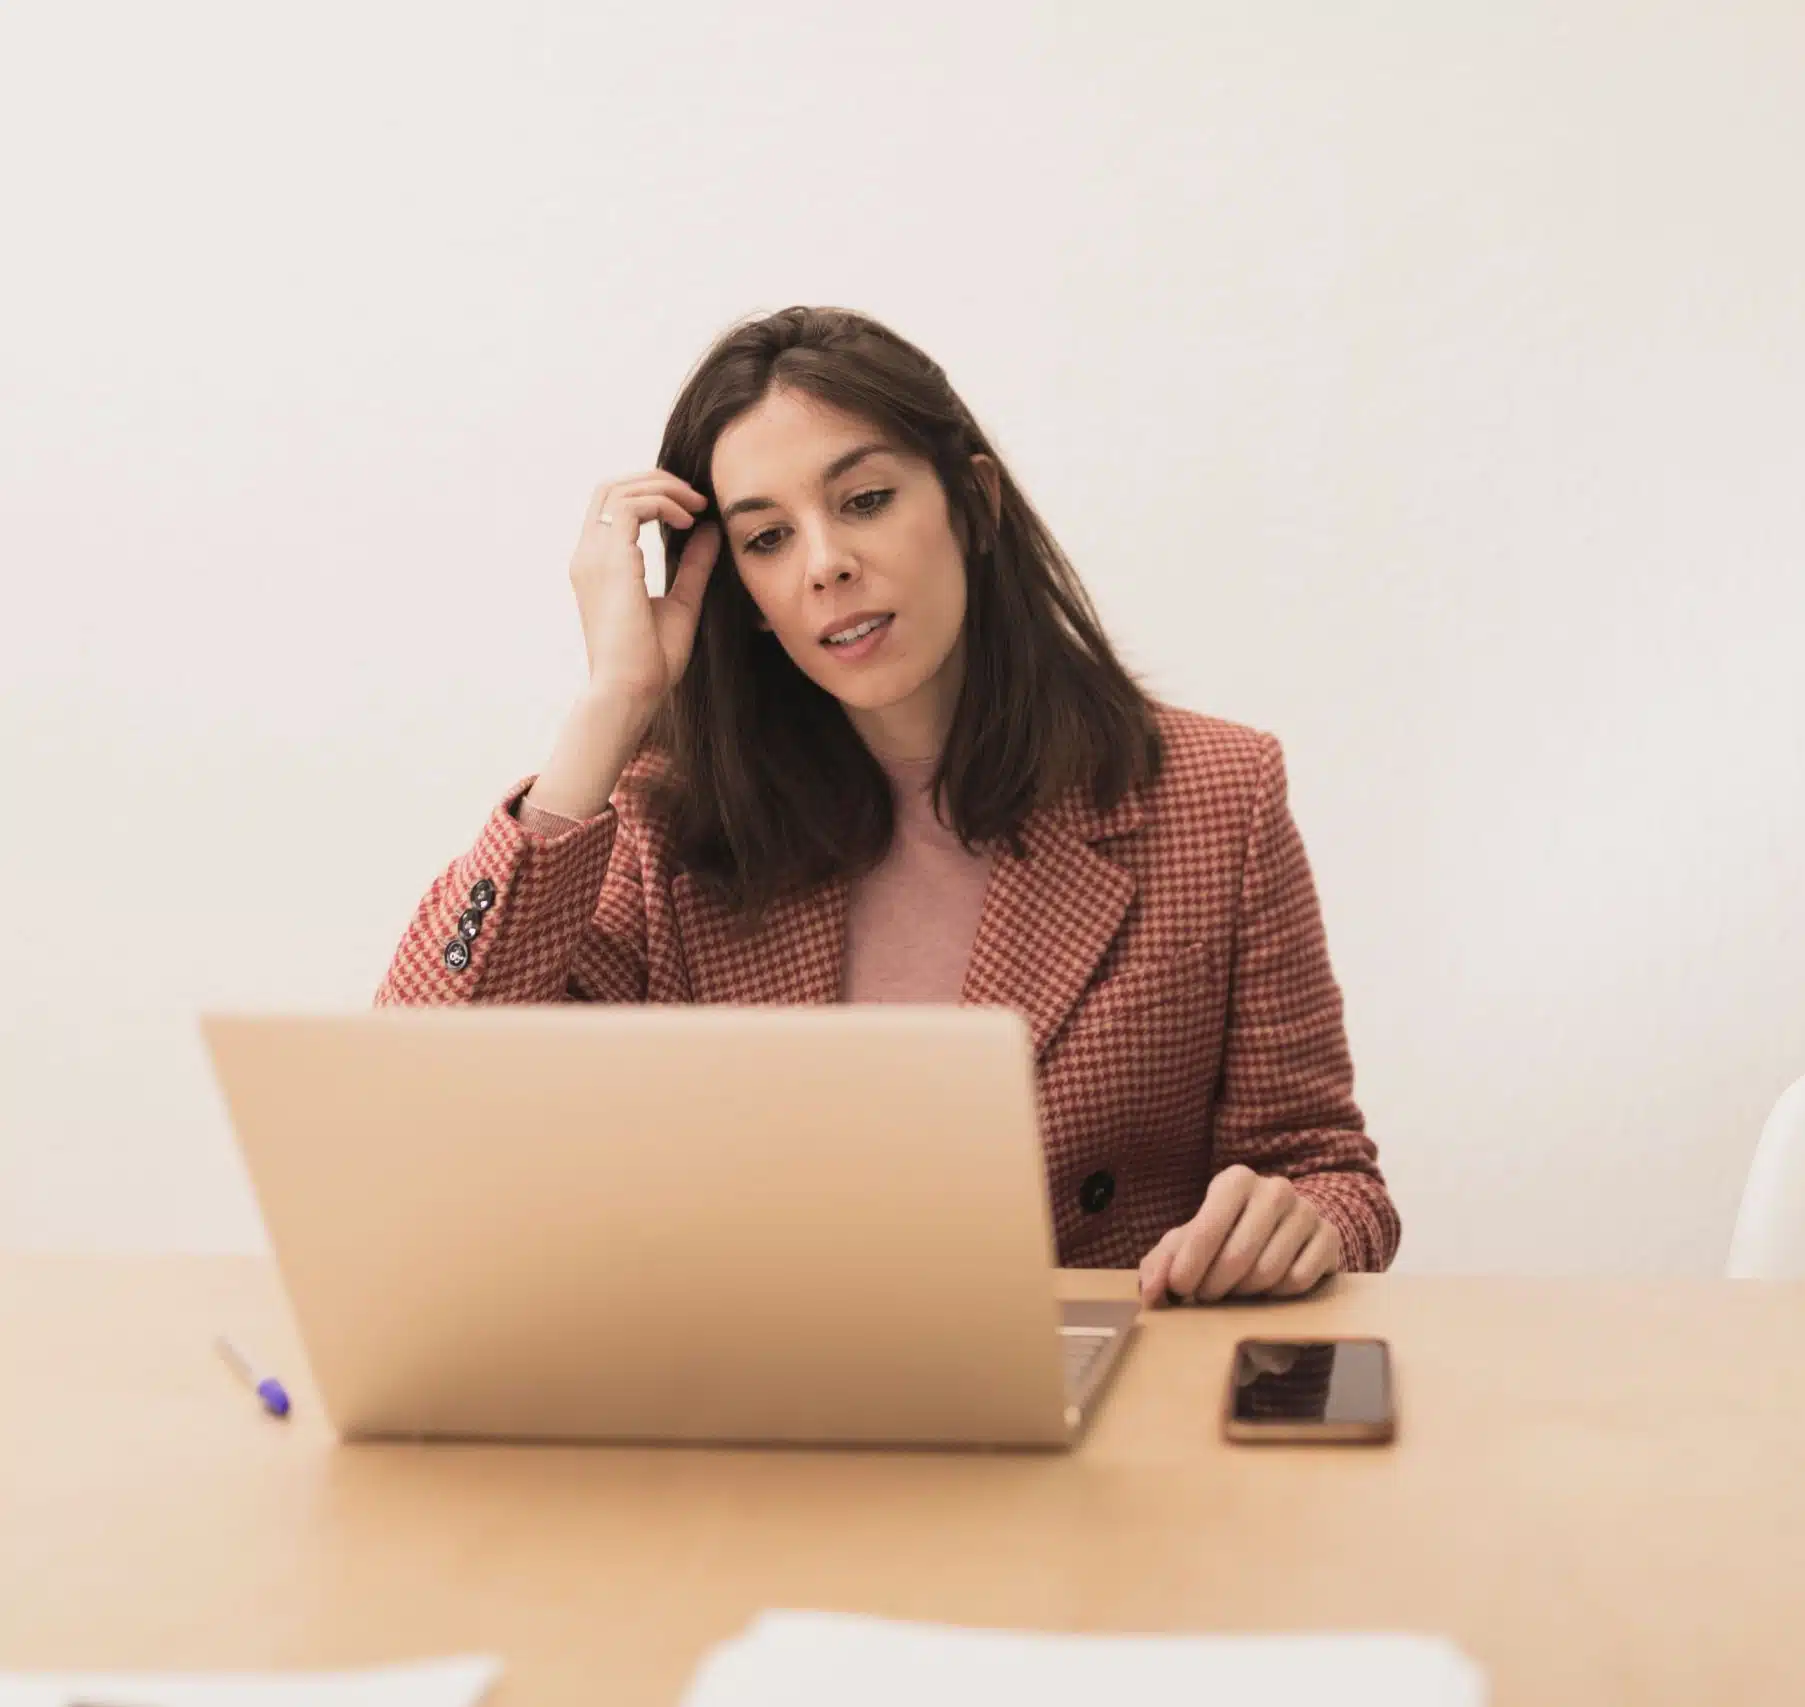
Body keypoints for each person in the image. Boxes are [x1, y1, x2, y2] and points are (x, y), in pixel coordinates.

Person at [379, 307, 1396, 1307]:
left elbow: (1327, 1174)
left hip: (1104, 1418)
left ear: (974, 503)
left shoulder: (1214, 796)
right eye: (767, 538)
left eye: (863, 500)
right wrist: (614, 705)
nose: (823, 562)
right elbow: (419, 1086)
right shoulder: (667, 826)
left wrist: (1300, 1227)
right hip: (769, 1421)